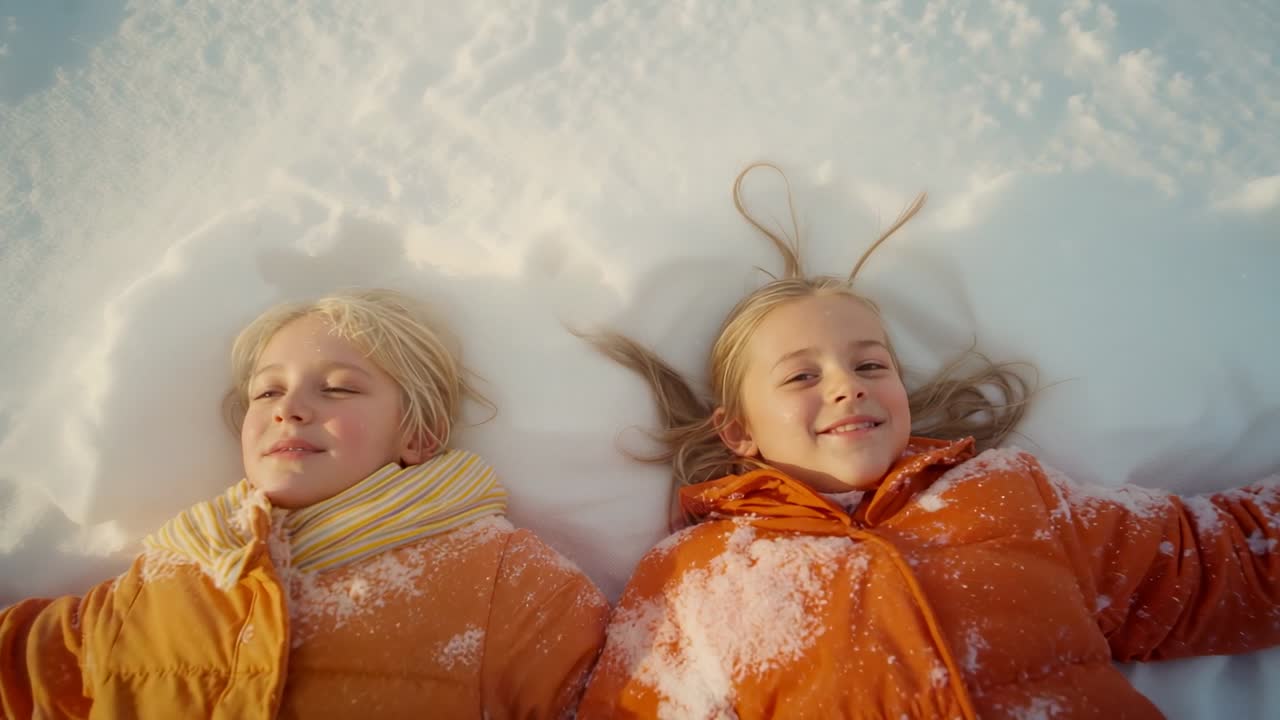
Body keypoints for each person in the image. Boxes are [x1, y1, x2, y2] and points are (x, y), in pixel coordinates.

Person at [577, 164, 1280, 719]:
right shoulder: (699, 577)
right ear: (739, 430)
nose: (848, 386)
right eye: (800, 376)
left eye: (871, 365)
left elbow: (1210, 564)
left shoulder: (1008, 495)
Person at [1, 288, 608, 719]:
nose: (289, 407)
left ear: (418, 436)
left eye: (339, 388)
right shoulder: (163, 576)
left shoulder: (507, 578)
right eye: (267, 390)